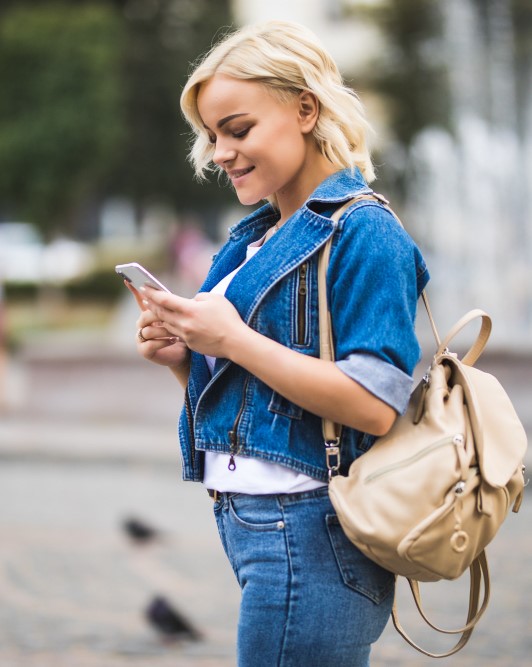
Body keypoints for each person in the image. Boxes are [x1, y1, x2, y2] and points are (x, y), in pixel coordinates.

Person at [128, 20, 429, 667]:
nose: (219, 153)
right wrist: (187, 359)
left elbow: (375, 404)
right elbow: (255, 401)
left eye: (237, 129)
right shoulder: (253, 236)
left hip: (311, 529)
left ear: (305, 107)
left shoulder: (363, 231)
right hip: (255, 522)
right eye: (212, 137)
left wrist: (231, 340)